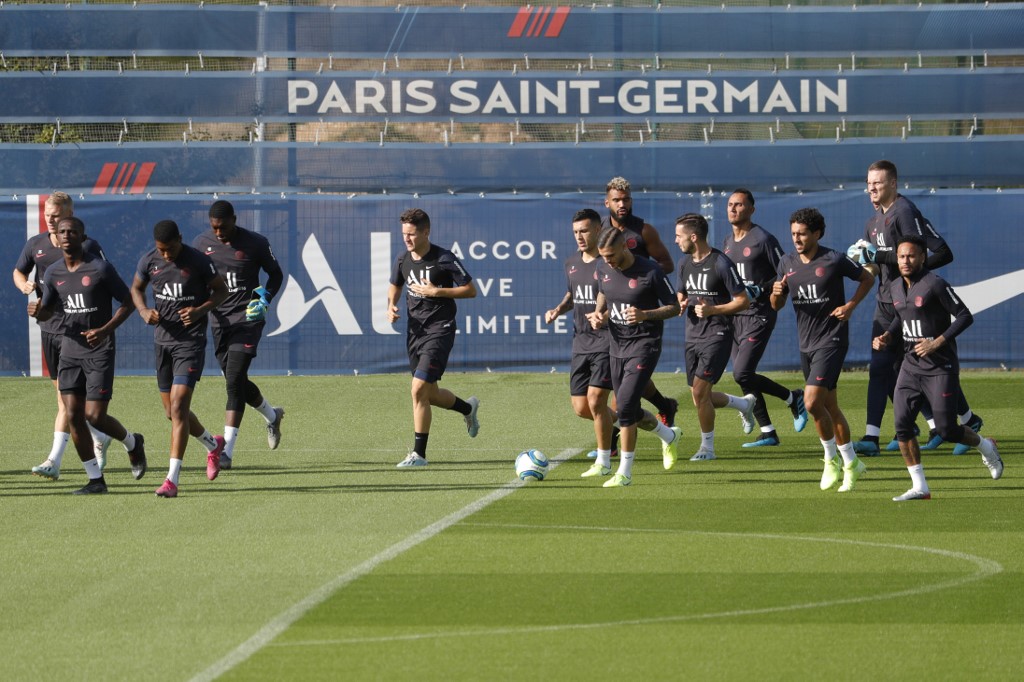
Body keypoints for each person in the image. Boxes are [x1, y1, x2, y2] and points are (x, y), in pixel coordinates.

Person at [851, 160, 983, 456]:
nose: (872, 188)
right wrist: (861, 265)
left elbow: (935, 253)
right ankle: (936, 426)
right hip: (887, 303)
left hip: (913, 304)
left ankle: (959, 423)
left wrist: (914, 279)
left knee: (919, 365)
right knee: (891, 370)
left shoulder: (904, 211)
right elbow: (878, 265)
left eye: (878, 183)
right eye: (869, 183)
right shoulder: (873, 222)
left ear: (894, 184)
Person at [872, 235, 1002, 501]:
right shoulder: (895, 287)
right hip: (910, 367)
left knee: (946, 430)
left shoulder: (935, 284)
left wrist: (937, 342)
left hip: (940, 367)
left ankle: (986, 447)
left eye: (911, 256)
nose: (905, 261)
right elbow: (900, 317)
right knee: (902, 426)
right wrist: (887, 336)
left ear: (922, 257)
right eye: (901, 256)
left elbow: (965, 315)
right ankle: (920, 486)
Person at [27, 217, 147, 494]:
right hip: (68, 350)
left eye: (73, 232)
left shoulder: (100, 268)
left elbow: (129, 302)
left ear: (82, 237)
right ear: (55, 237)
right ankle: (95, 481)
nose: (67, 235)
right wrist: (37, 311)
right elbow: (47, 309)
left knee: (94, 416)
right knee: (73, 415)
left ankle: (132, 442)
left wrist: (105, 330)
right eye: (62, 232)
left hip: (99, 350)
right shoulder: (53, 272)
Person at [770, 208, 875, 493]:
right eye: (793, 234)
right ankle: (853, 463)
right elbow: (776, 305)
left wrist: (851, 305)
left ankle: (830, 460)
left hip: (832, 339)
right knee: (829, 407)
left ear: (817, 233)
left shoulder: (834, 259)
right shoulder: (786, 262)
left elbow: (867, 278)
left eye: (802, 233)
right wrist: (776, 295)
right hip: (806, 344)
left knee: (812, 402)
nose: (797, 239)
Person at [13, 192, 113, 480]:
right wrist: (24, 285)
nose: (50, 220)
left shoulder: (89, 246)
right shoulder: (36, 245)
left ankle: (54, 461)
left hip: (79, 331)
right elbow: (18, 272)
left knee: (66, 400)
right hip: (50, 329)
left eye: (56, 216)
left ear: (70, 215)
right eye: (47, 215)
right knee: (65, 399)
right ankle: (101, 436)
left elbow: (105, 280)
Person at [131, 220, 228, 498]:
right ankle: (213, 445)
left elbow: (221, 291)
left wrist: (199, 311)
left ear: (180, 240)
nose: (166, 255)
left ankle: (171, 480)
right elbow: (136, 289)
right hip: (163, 343)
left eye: (170, 249)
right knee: (172, 414)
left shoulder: (198, 261)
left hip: (190, 342)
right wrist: (142, 310)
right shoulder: (149, 260)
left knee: (179, 404)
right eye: (161, 250)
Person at [193, 200, 285, 471]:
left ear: (235, 219)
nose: (219, 232)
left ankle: (227, 452)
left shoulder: (255, 242)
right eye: (214, 228)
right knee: (237, 381)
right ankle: (272, 415)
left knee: (233, 381)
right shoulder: (201, 244)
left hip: (248, 320)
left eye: (223, 227)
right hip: (218, 322)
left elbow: (276, 275)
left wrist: (264, 299)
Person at [385, 208, 480, 468]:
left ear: (426, 232)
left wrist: (437, 291)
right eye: (404, 233)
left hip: (440, 328)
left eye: (412, 234)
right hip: (415, 332)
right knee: (429, 393)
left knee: (417, 389)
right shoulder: (403, 258)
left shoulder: (444, 258)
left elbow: (471, 290)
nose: (407, 239)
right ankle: (467, 409)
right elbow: (395, 285)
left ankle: (419, 454)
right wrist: (390, 306)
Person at [586, 227, 681, 487]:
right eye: (603, 257)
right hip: (616, 346)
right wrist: (598, 314)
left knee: (624, 407)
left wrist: (645, 314)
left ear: (625, 248)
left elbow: (674, 307)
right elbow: (604, 291)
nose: (608, 261)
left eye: (611, 255)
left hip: (644, 344)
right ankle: (669, 436)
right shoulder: (604, 268)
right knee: (630, 409)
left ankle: (624, 473)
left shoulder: (651, 271)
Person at [722, 189, 808, 447]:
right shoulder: (727, 241)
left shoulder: (763, 239)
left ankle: (793, 398)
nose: (733, 209)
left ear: (751, 209)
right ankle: (768, 431)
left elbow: (787, 272)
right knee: (743, 376)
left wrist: (762, 287)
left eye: (739, 205)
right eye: (730, 205)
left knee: (741, 372)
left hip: (759, 313)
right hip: (735, 316)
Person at [674, 212, 756, 461]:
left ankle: (707, 448)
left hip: (717, 334)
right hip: (692, 335)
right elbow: (681, 294)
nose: (676, 240)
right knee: (701, 396)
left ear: (694, 237)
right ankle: (743, 404)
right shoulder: (684, 263)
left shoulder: (721, 263)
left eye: (679, 236)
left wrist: (713, 310)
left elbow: (743, 301)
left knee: (700, 394)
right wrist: (680, 302)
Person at [544, 209, 618, 477]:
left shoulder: (609, 261)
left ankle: (604, 460)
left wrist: (605, 316)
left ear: (599, 230)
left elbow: (621, 298)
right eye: (576, 232)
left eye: (584, 231)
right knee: (580, 407)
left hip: (607, 341)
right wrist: (557, 309)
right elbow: (572, 294)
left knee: (597, 401)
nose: (579, 236)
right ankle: (632, 423)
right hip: (581, 343)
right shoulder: (572, 262)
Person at [601, 176, 679, 428]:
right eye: (616, 200)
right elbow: (599, 272)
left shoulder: (644, 231)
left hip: (641, 317)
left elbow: (667, 264)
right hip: (613, 318)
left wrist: (639, 277)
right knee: (630, 383)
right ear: (607, 203)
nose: (622, 204)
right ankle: (665, 405)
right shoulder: (600, 233)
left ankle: (611, 446)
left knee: (622, 398)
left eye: (626, 199)